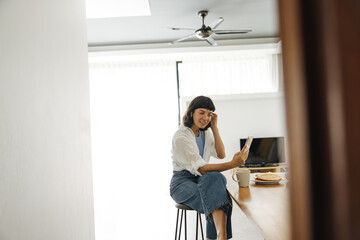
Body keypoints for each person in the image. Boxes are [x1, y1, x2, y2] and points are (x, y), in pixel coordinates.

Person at [170, 96, 249, 240]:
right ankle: (221, 236)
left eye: (209, 114)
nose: (205, 117)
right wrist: (233, 164)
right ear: (191, 112)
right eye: (202, 112)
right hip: (182, 183)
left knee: (215, 177)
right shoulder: (181, 137)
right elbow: (201, 168)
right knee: (217, 195)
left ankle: (219, 236)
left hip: (201, 179)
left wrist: (214, 127)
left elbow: (221, 154)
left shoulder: (204, 133)